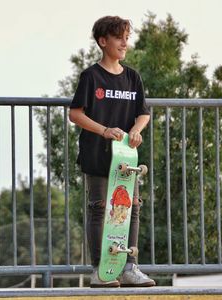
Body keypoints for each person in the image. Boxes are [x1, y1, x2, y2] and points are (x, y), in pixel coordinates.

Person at [69, 16, 155, 288]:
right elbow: (75, 114)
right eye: (119, 37)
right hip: (97, 155)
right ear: (103, 41)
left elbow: (144, 114)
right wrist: (104, 130)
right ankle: (100, 270)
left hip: (126, 159)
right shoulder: (91, 76)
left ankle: (130, 268)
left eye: (127, 37)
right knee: (99, 209)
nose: (124, 43)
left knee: (132, 209)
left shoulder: (133, 77)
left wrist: (136, 131)